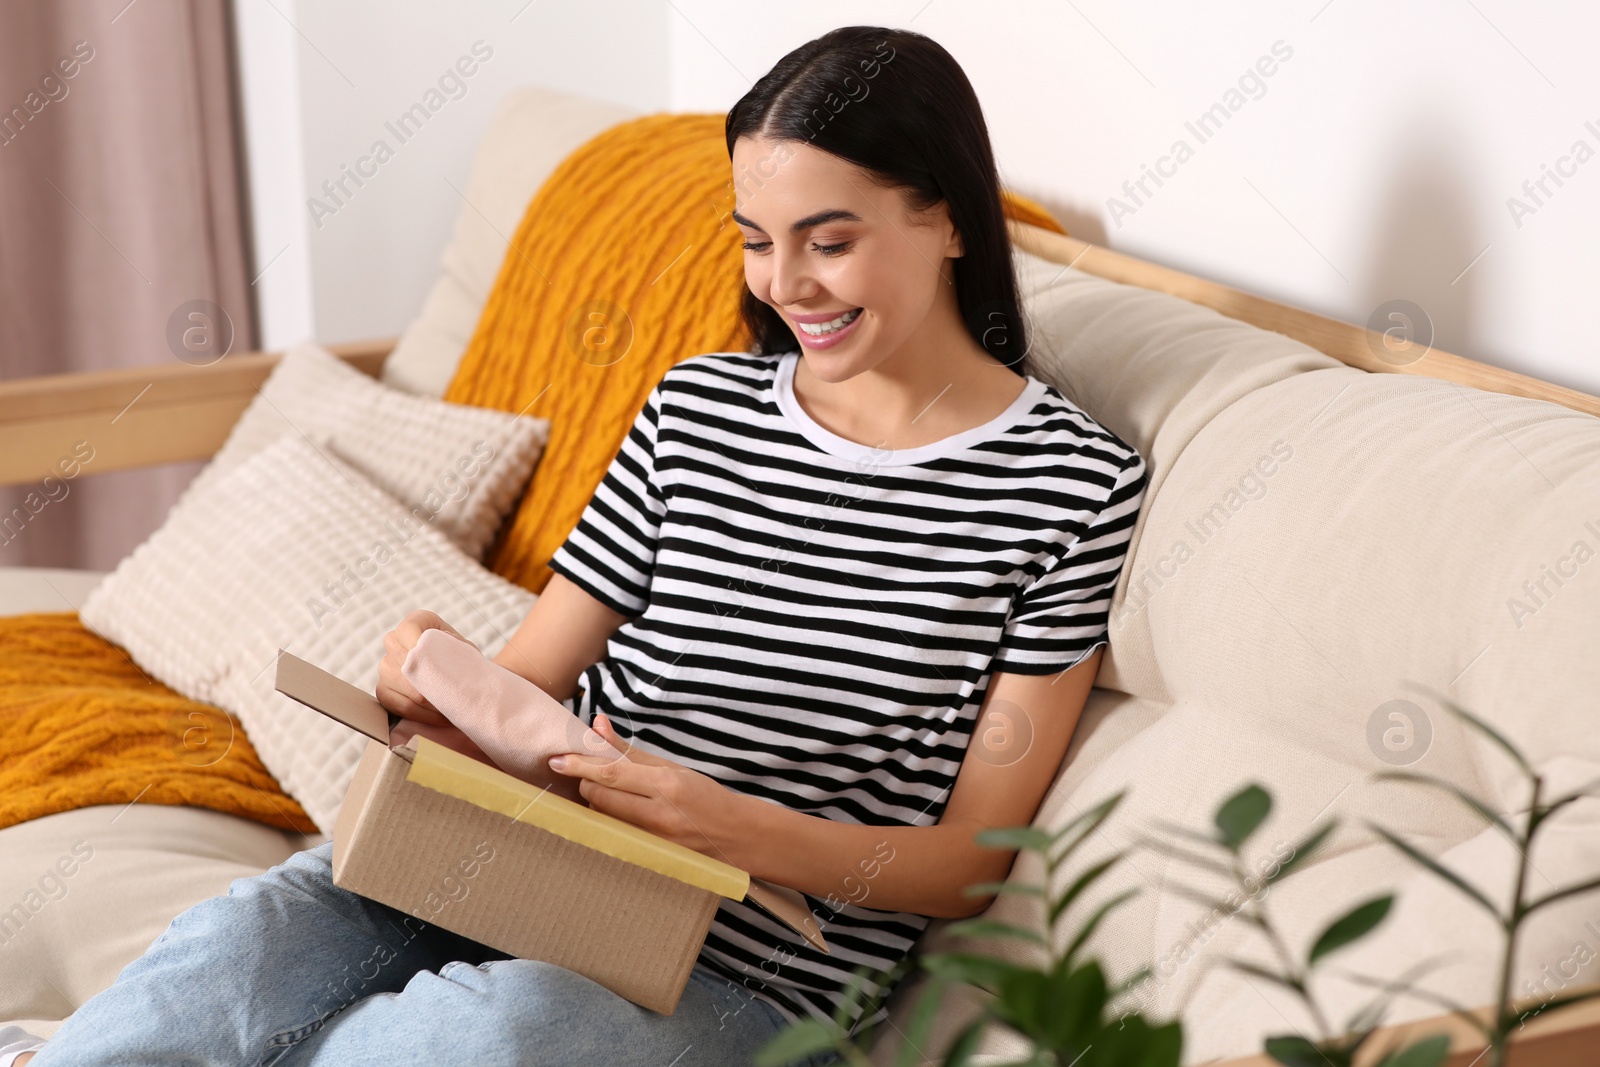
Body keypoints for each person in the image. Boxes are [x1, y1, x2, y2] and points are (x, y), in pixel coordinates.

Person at [16, 23, 1147, 1067]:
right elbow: (528, 677)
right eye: (756, 241)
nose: (786, 285)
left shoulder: (1069, 486)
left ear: (948, 216)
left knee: (494, 1032)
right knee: (245, 940)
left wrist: (730, 825)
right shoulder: (698, 413)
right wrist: (432, 682)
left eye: (830, 240)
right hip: (509, 861)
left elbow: (968, 862)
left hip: (750, 981)